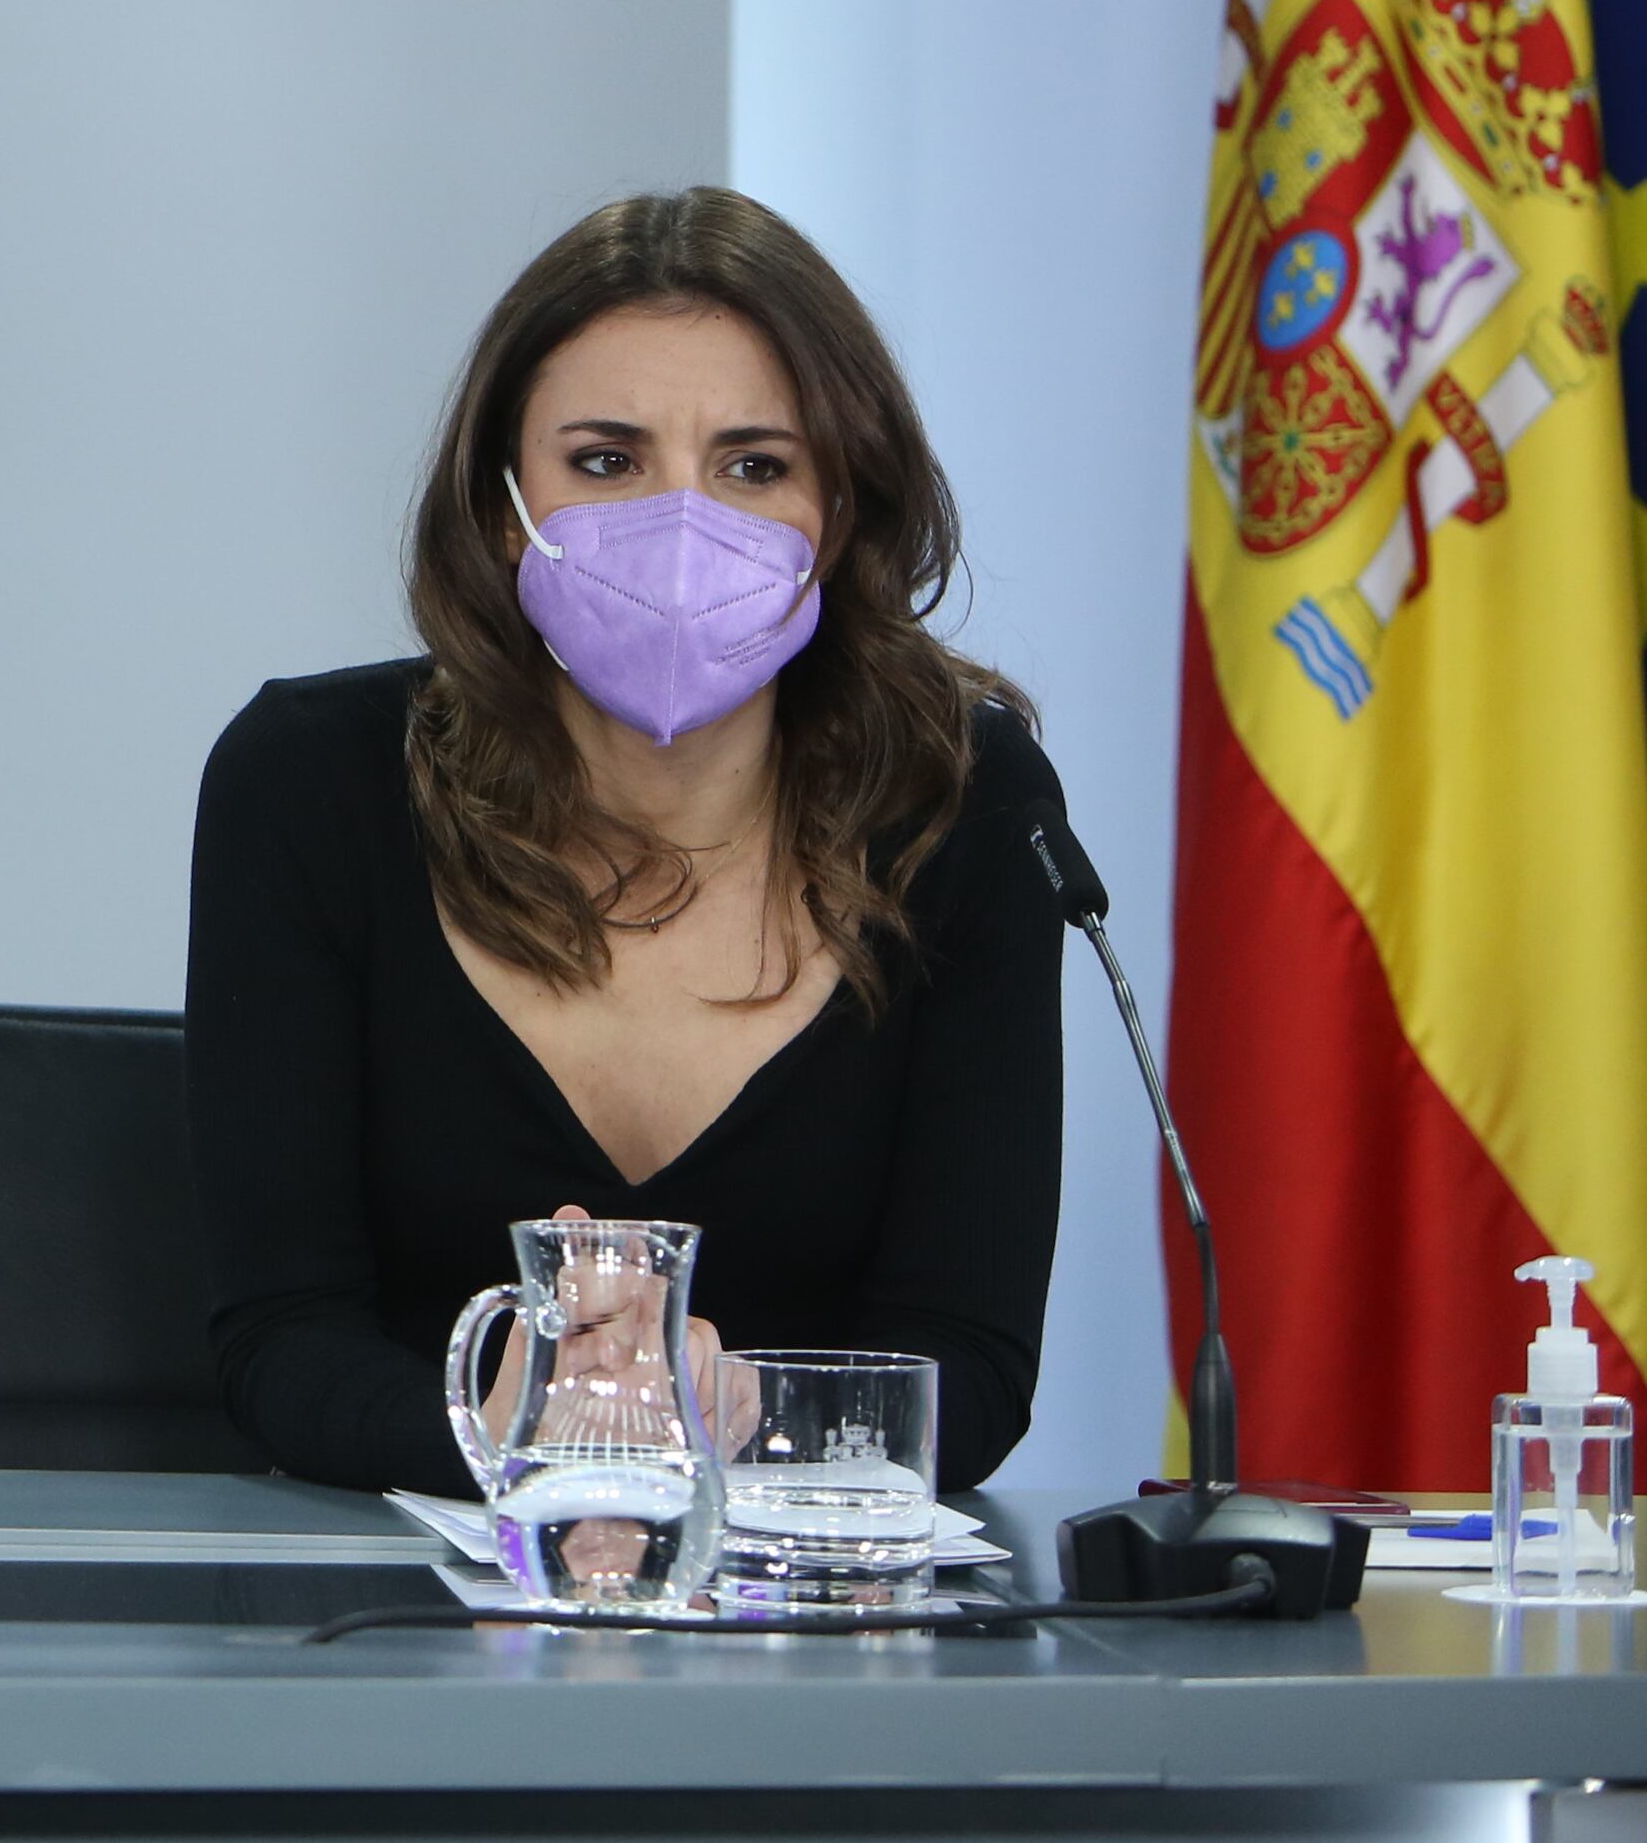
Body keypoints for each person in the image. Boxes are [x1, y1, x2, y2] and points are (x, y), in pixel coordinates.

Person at [185, 187, 1058, 1494]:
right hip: (395, 1594)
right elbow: (278, 1338)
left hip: (797, 1604)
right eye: (606, 461)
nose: (682, 523)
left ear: (842, 511)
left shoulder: (961, 802)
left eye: (754, 467)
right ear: (502, 505)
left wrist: (738, 1407)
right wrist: (502, 1421)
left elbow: (971, 1369)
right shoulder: (312, 782)